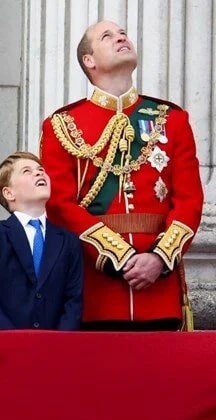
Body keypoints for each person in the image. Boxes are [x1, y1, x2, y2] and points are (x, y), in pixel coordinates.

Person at [40, 20, 203, 330]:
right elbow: (59, 205)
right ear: (89, 61)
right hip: (96, 292)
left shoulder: (172, 119)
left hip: (160, 289)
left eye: (123, 33)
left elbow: (190, 200)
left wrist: (158, 258)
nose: (121, 37)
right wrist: (120, 256)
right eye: (107, 36)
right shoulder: (62, 125)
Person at [0, 152, 83, 330]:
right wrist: (12, 335)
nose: (39, 173)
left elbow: (73, 298)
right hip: (4, 345)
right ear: (8, 192)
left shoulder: (68, 240)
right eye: (27, 171)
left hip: (54, 347)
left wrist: (61, 340)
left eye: (40, 169)